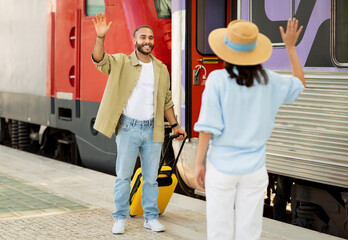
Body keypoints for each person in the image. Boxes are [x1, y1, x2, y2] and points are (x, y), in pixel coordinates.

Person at [194, 18, 305, 240]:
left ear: (226, 51)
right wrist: (291, 48)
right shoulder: (270, 81)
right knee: (249, 232)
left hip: (222, 167)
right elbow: (299, 83)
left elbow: (207, 126)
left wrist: (199, 163)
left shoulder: (217, 80)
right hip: (254, 169)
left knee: (219, 230)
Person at [91, 13, 186, 234]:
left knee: (151, 178)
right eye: (143, 37)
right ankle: (120, 217)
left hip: (153, 129)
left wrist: (175, 126)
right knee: (123, 176)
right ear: (135, 40)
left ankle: (150, 217)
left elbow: (166, 100)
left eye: (150, 37)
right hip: (128, 128)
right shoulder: (122, 61)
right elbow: (99, 60)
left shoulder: (161, 68)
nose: (147, 41)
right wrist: (100, 38)